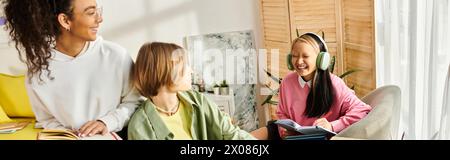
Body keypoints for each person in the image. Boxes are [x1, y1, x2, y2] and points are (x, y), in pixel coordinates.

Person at [3, 0, 140, 137]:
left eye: (97, 11)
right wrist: (67, 134)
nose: (100, 19)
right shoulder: (38, 71)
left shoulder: (116, 56)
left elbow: (134, 102)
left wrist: (106, 122)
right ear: (65, 20)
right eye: (91, 13)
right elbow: (47, 119)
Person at [128, 42, 256, 140]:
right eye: (184, 66)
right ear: (165, 72)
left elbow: (232, 134)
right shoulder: (140, 126)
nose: (191, 71)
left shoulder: (198, 100)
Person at [276, 32, 372, 138]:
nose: (299, 61)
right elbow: (281, 112)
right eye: (294, 56)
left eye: (305, 56)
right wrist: (284, 129)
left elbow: (362, 109)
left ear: (321, 59)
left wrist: (332, 126)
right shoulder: (287, 82)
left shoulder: (335, 84)